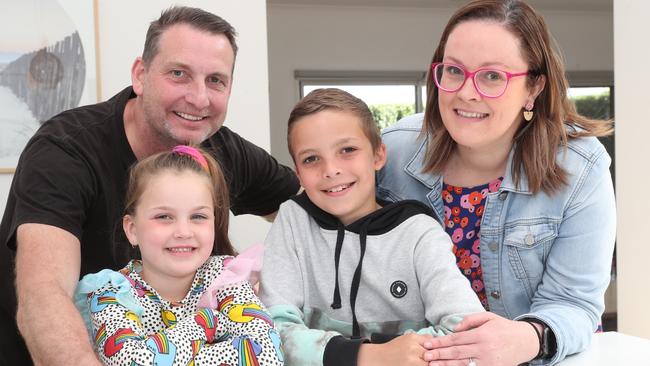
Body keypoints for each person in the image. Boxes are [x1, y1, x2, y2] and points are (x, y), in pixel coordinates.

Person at [0, 6, 298, 365]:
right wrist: (209, 324)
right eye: (179, 74)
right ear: (140, 75)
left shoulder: (224, 153)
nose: (200, 98)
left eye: (216, 80)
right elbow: (43, 294)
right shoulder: (66, 150)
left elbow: (313, 207)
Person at [377, 1, 616, 365]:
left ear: (534, 87)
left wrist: (528, 336)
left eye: (492, 76)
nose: (467, 93)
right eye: (454, 70)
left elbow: (575, 303)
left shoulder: (580, 165)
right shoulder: (392, 151)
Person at [260, 88, 485, 366]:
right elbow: (267, 333)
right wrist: (370, 356)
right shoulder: (293, 220)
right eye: (311, 158)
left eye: (347, 150)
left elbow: (467, 333)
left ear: (378, 155)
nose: (330, 169)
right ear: (298, 174)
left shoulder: (420, 233)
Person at [74, 146, 284, 365]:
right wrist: (206, 322)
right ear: (132, 229)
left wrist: (162, 355)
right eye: (164, 216)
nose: (183, 232)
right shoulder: (109, 293)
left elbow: (268, 355)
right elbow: (132, 362)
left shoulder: (225, 278)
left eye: (198, 216)